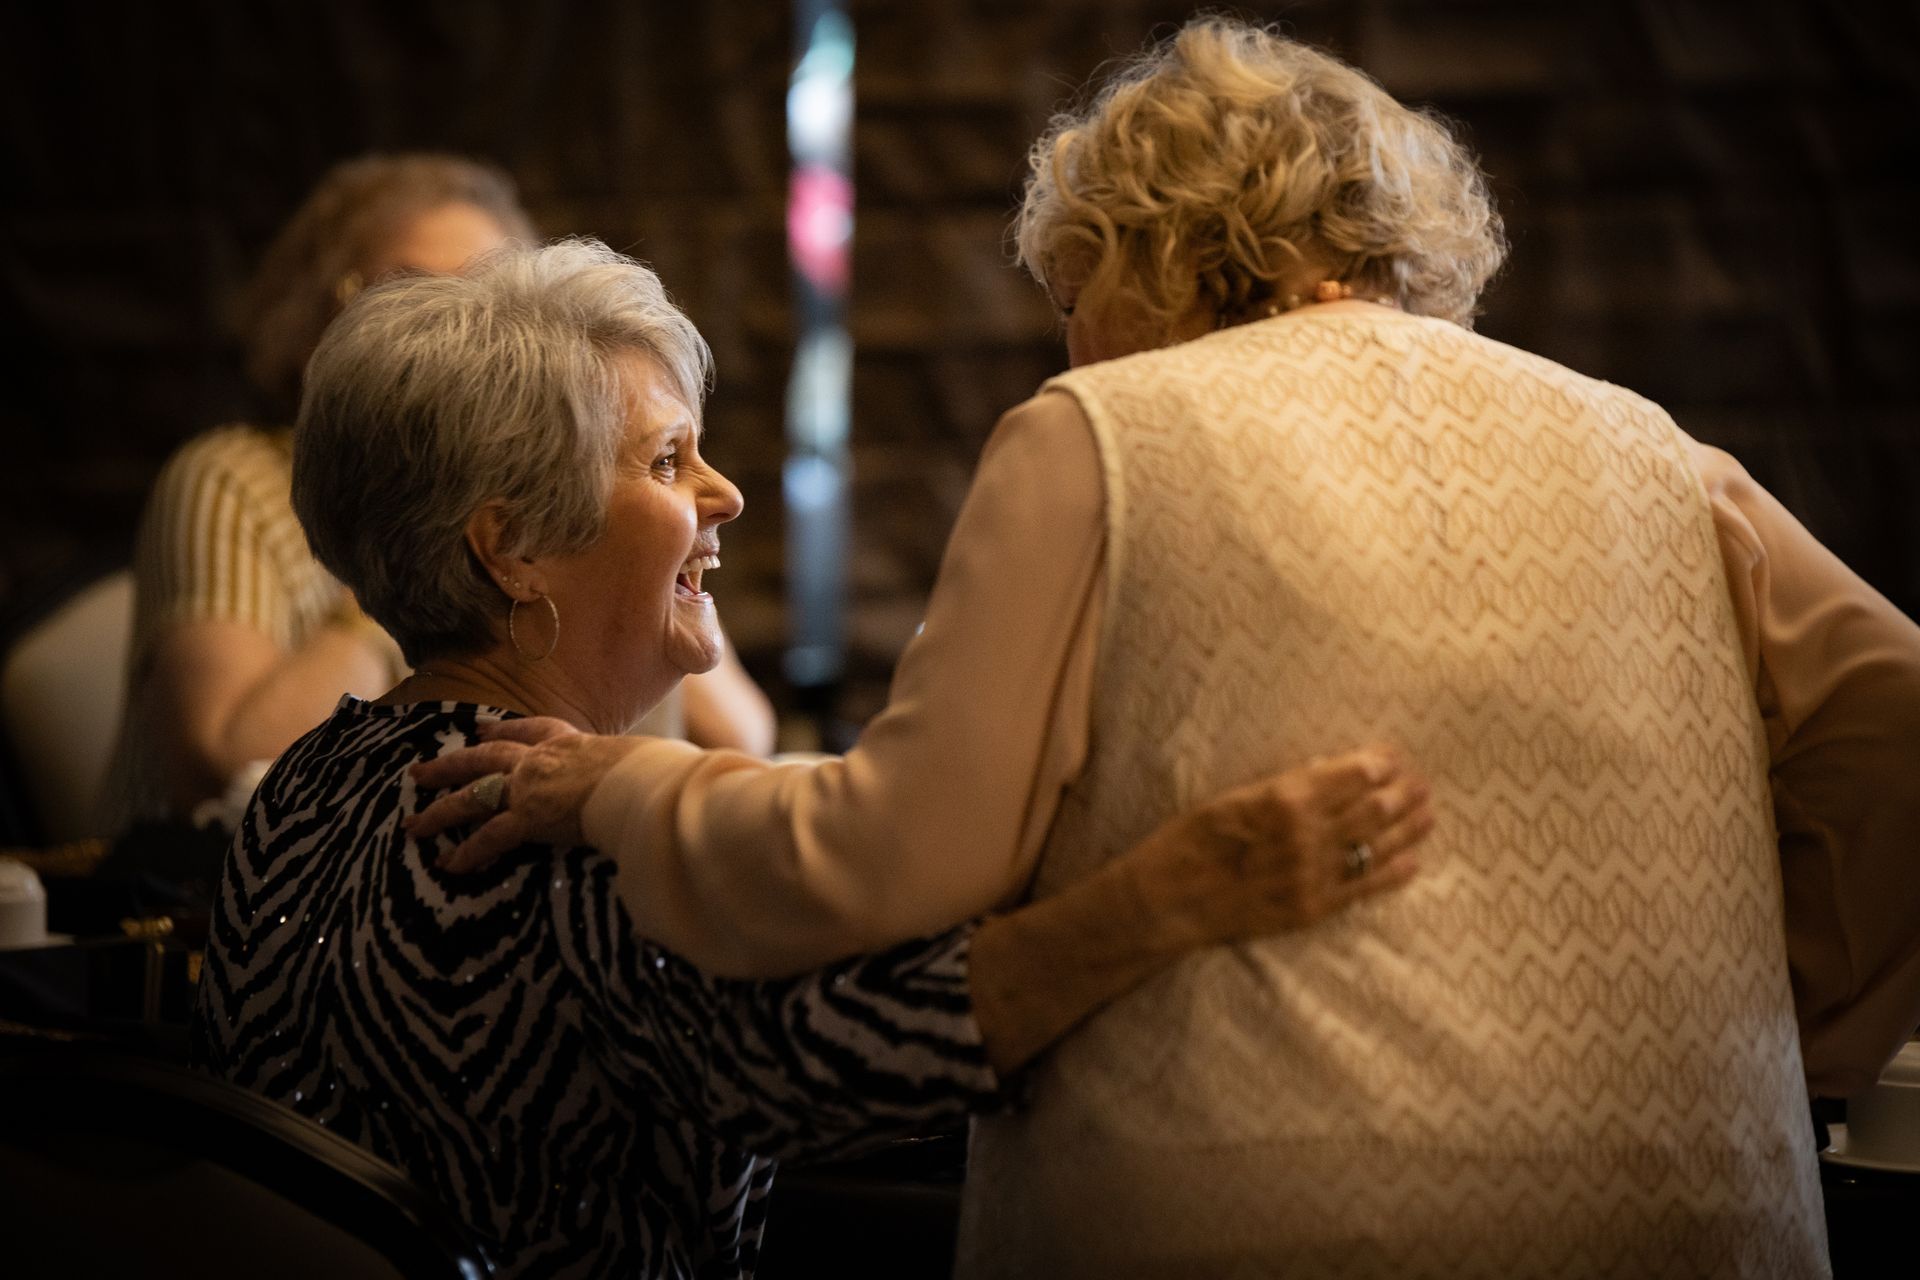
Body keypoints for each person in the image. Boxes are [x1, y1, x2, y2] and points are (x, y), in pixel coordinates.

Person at [410, 19, 1920, 1277]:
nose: (1067, 341)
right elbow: (1897, 706)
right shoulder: (1657, 448)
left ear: (1146, 249)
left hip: (1259, 1216)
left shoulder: (1104, 430)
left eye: (1071, 290)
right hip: (1709, 1212)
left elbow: (889, 858)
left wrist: (619, 789)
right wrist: (1798, 1026)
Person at [191, 239, 1433, 1280]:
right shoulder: (546, 835)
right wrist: (1182, 888)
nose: (725, 493)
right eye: (668, 459)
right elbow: (862, 1054)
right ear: (511, 548)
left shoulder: (302, 788)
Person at [107, 155, 772, 831]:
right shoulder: (230, 478)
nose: (471, 350)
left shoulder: (600, 514)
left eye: (494, 300)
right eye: (421, 300)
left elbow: (740, 734)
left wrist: (653, 585)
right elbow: (230, 767)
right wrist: (415, 539)